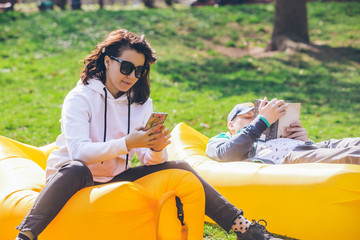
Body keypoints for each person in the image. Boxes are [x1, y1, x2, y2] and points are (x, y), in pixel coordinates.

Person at [15, 29, 280, 240]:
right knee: (75, 168)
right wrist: (128, 143)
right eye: (126, 67)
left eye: (140, 71)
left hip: (114, 179)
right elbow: (80, 153)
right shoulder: (80, 98)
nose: (132, 76)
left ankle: (247, 230)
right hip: (73, 182)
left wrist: (155, 148)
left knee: (181, 167)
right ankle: (26, 234)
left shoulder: (140, 103)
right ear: (107, 61)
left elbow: (150, 161)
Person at [206, 97, 360, 165]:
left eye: (256, 118)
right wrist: (261, 122)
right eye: (248, 117)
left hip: (309, 147)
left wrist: (304, 140)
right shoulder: (220, 140)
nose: (253, 121)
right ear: (231, 125)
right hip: (291, 157)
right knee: (351, 156)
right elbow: (226, 154)